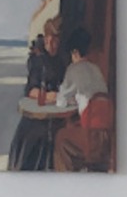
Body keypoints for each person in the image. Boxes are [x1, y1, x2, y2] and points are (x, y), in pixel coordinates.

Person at [7, 15, 68, 170]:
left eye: (55, 41)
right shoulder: (38, 59)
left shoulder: (61, 60)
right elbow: (31, 90)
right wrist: (48, 96)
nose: (51, 45)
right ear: (45, 39)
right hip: (37, 117)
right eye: (48, 41)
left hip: (56, 114)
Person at [51, 26, 110, 171]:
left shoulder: (73, 69)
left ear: (75, 52)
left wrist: (65, 99)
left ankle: (67, 175)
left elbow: (60, 102)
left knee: (60, 137)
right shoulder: (96, 69)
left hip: (90, 138)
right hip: (107, 138)